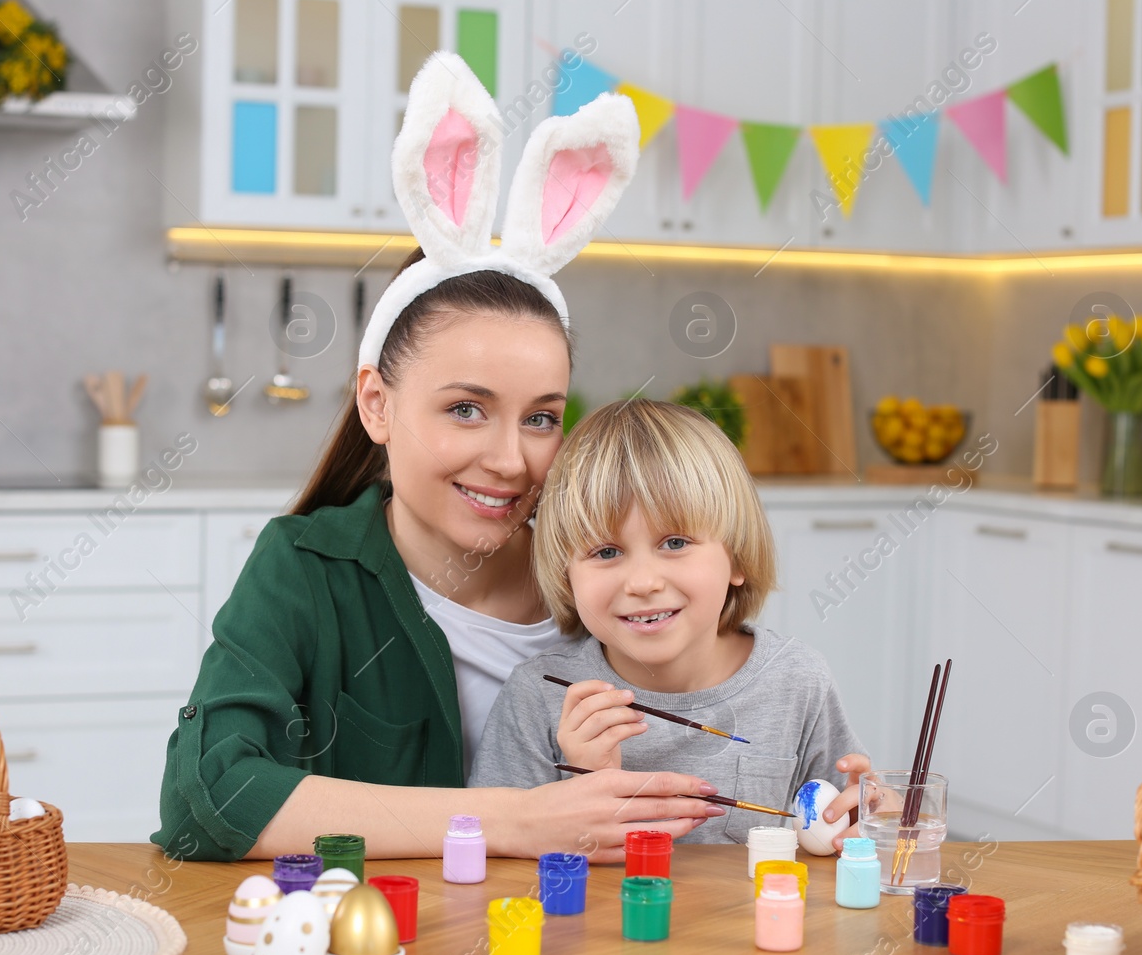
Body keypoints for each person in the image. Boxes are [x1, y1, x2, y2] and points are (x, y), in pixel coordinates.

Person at [154, 52, 723, 862]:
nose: (510, 459)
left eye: (541, 418)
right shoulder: (305, 571)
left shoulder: (603, 572)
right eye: (466, 409)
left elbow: (730, 723)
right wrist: (520, 821)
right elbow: (206, 797)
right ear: (376, 404)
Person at [470, 399, 871, 848]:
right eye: (606, 552)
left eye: (675, 542)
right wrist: (587, 778)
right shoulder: (541, 694)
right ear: (567, 575)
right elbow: (489, 856)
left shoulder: (797, 681)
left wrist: (867, 825)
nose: (642, 582)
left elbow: (843, 829)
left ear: (736, 556)